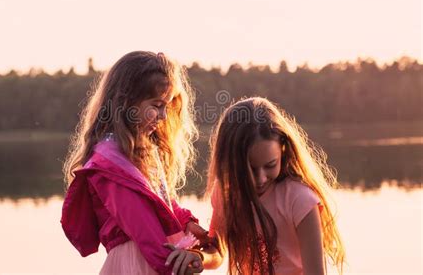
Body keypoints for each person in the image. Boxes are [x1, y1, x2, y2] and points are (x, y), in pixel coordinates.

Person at [60, 51, 205, 275]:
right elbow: (141, 225)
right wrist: (173, 265)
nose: (163, 115)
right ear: (126, 102)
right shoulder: (109, 163)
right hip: (136, 263)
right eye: (157, 105)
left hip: (153, 258)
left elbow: (160, 202)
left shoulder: (142, 151)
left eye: (166, 106)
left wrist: (186, 222)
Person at [201, 97, 345, 275]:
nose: (260, 179)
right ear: (229, 162)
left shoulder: (300, 200)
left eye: (270, 165)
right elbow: (218, 250)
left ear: (283, 150)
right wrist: (198, 258)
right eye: (250, 170)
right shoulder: (225, 192)